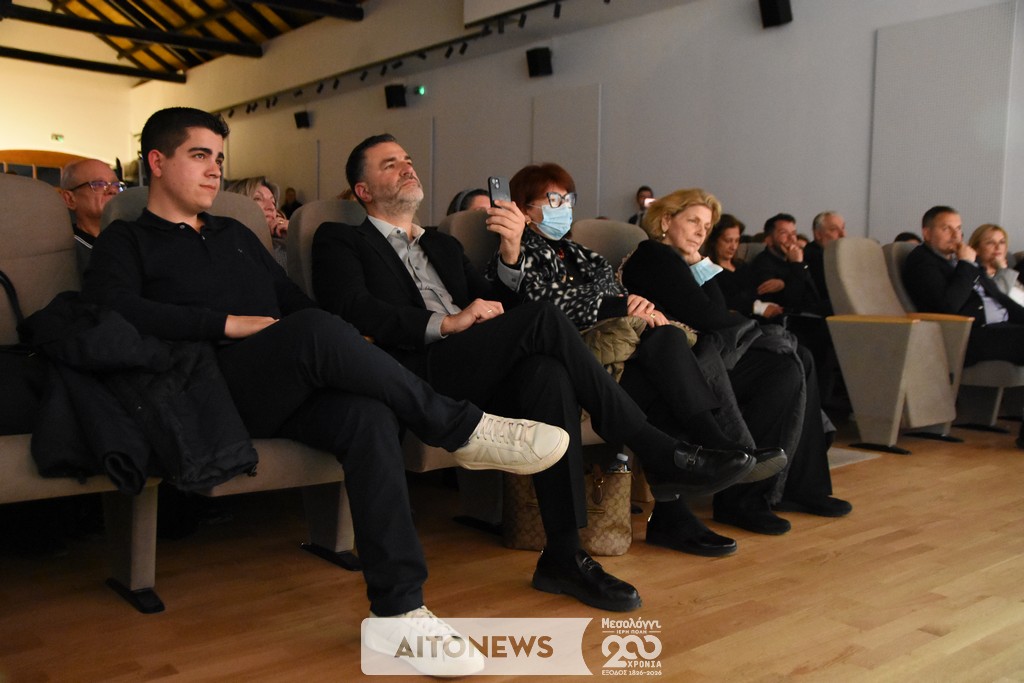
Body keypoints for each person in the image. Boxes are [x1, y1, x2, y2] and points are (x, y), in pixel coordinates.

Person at [81, 108, 576, 677]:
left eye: (218, 157)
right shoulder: (127, 239)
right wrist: (226, 324)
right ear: (157, 161)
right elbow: (113, 311)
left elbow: (294, 304)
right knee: (316, 331)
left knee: (366, 414)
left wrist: (344, 341)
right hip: (202, 388)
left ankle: (398, 611)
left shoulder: (234, 236)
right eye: (200, 156)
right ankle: (461, 427)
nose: (215, 170)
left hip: (277, 381)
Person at [311, 135, 759, 606]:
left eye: (407, 159)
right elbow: (352, 308)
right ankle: (651, 444)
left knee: (548, 374)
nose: (407, 167)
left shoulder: (441, 244)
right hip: (411, 369)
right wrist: (446, 323)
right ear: (363, 190)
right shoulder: (340, 238)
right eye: (389, 164)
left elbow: (499, 302)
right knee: (544, 317)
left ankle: (563, 555)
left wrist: (510, 254)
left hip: (473, 361)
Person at [497, 161, 792, 544]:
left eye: (569, 200)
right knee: (667, 354)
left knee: (667, 346)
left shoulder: (583, 254)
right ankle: (709, 453)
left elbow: (625, 294)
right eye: (554, 200)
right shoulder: (517, 256)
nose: (564, 208)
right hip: (577, 360)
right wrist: (620, 306)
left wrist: (638, 307)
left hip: (621, 354)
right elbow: (537, 306)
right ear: (523, 208)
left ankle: (680, 503)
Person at [620, 188, 852, 527]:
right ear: (666, 221)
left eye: (706, 226)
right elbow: (707, 315)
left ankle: (797, 486)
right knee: (784, 366)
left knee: (797, 356)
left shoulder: (682, 260)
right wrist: (741, 319)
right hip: (678, 361)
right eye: (693, 221)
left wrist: (699, 262)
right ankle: (744, 498)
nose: (701, 232)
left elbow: (716, 308)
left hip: (703, 351)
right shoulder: (654, 255)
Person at [751, 213, 835, 401]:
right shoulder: (764, 264)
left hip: (806, 316)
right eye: (784, 233)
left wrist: (786, 279)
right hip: (785, 323)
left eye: (794, 233)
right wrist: (797, 265)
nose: (791, 239)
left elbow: (812, 293)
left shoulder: (789, 261)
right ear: (768, 239)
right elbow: (791, 301)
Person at [708, 214, 784, 320]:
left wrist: (781, 284)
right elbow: (723, 303)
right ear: (714, 241)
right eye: (728, 240)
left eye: (736, 241)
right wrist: (758, 308)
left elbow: (758, 291)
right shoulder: (709, 271)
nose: (733, 247)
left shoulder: (742, 266)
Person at [59, 159, 126, 273]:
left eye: (116, 185)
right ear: (69, 199)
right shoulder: (63, 253)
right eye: (99, 184)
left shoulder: (130, 240)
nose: (113, 190)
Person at [225, 176, 288, 269]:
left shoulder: (283, 245)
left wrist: (294, 239)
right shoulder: (227, 248)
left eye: (273, 202)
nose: (271, 207)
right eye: (258, 198)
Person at [968, 223, 1024, 306]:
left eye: (1002, 242)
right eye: (990, 242)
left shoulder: (1011, 274)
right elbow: (996, 302)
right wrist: (1002, 270)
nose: (998, 247)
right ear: (976, 249)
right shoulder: (973, 276)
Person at [805, 211, 846, 307]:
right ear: (818, 234)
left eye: (843, 228)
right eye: (834, 229)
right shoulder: (813, 257)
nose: (843, 235)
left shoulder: (836, 255)